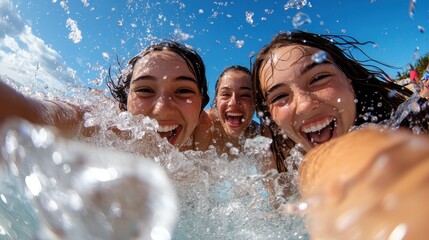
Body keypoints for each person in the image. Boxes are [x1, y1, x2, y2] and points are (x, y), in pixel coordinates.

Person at [251, 30, 429, 173]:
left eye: (319, 78)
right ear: (273, 119)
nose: (305, 105)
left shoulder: (410, 128)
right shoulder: (292, 171)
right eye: (280, 96)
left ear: (349, 84)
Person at [0, 40, 210, 149]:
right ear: (124, 101)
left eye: (183, 91)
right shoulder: (110, 128)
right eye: (145, 90)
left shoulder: (213, 140)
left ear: (202, 104)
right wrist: (26, 112)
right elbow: (71, 115)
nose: (162, 108)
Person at [183, 65, 259, 158]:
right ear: (216, 100)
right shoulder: (198, 124)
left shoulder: (261, 138)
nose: (233, 102)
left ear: (255, 102)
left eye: (245, 95)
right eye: (226, 94)